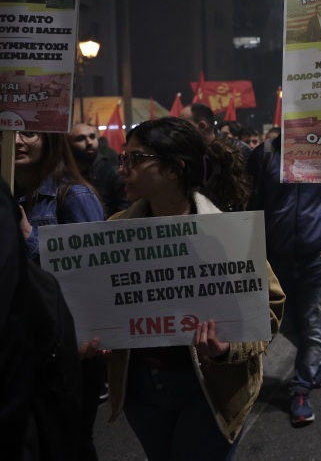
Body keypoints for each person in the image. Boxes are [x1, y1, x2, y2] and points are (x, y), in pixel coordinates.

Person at [95, 117, 285, 460]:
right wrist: (99, 334)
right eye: (123, 158)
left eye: (135, 159)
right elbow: (101, 303)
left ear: (174, 169)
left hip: (210, 390)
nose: (122, 169)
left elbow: (269, 309)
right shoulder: (115, 230)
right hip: (142, 390)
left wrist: (227, 349)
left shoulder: (225, 232)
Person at [12, 130, 106, 461]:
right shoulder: (9, 196)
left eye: (29, 133)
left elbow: (94, 275)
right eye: (9, 132)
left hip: (72, 350)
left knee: (71, 445)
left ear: (51, 139)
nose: (17, 141)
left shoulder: (75, 195)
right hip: (23, 346)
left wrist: (28, 237)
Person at [247, 134, 321, 427]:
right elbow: (253, 203)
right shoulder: (266, 153)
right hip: (275, 257)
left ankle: (300, 390)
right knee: (280, 320)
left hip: (317, 256)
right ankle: (314, 351)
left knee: (311, 323)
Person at [68, 122, 130, 217]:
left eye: (92, 137)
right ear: (68, 145)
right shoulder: (63, 174)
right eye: (81, 139)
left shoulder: (112, 172)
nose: (89, 142)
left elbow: (125, 214)